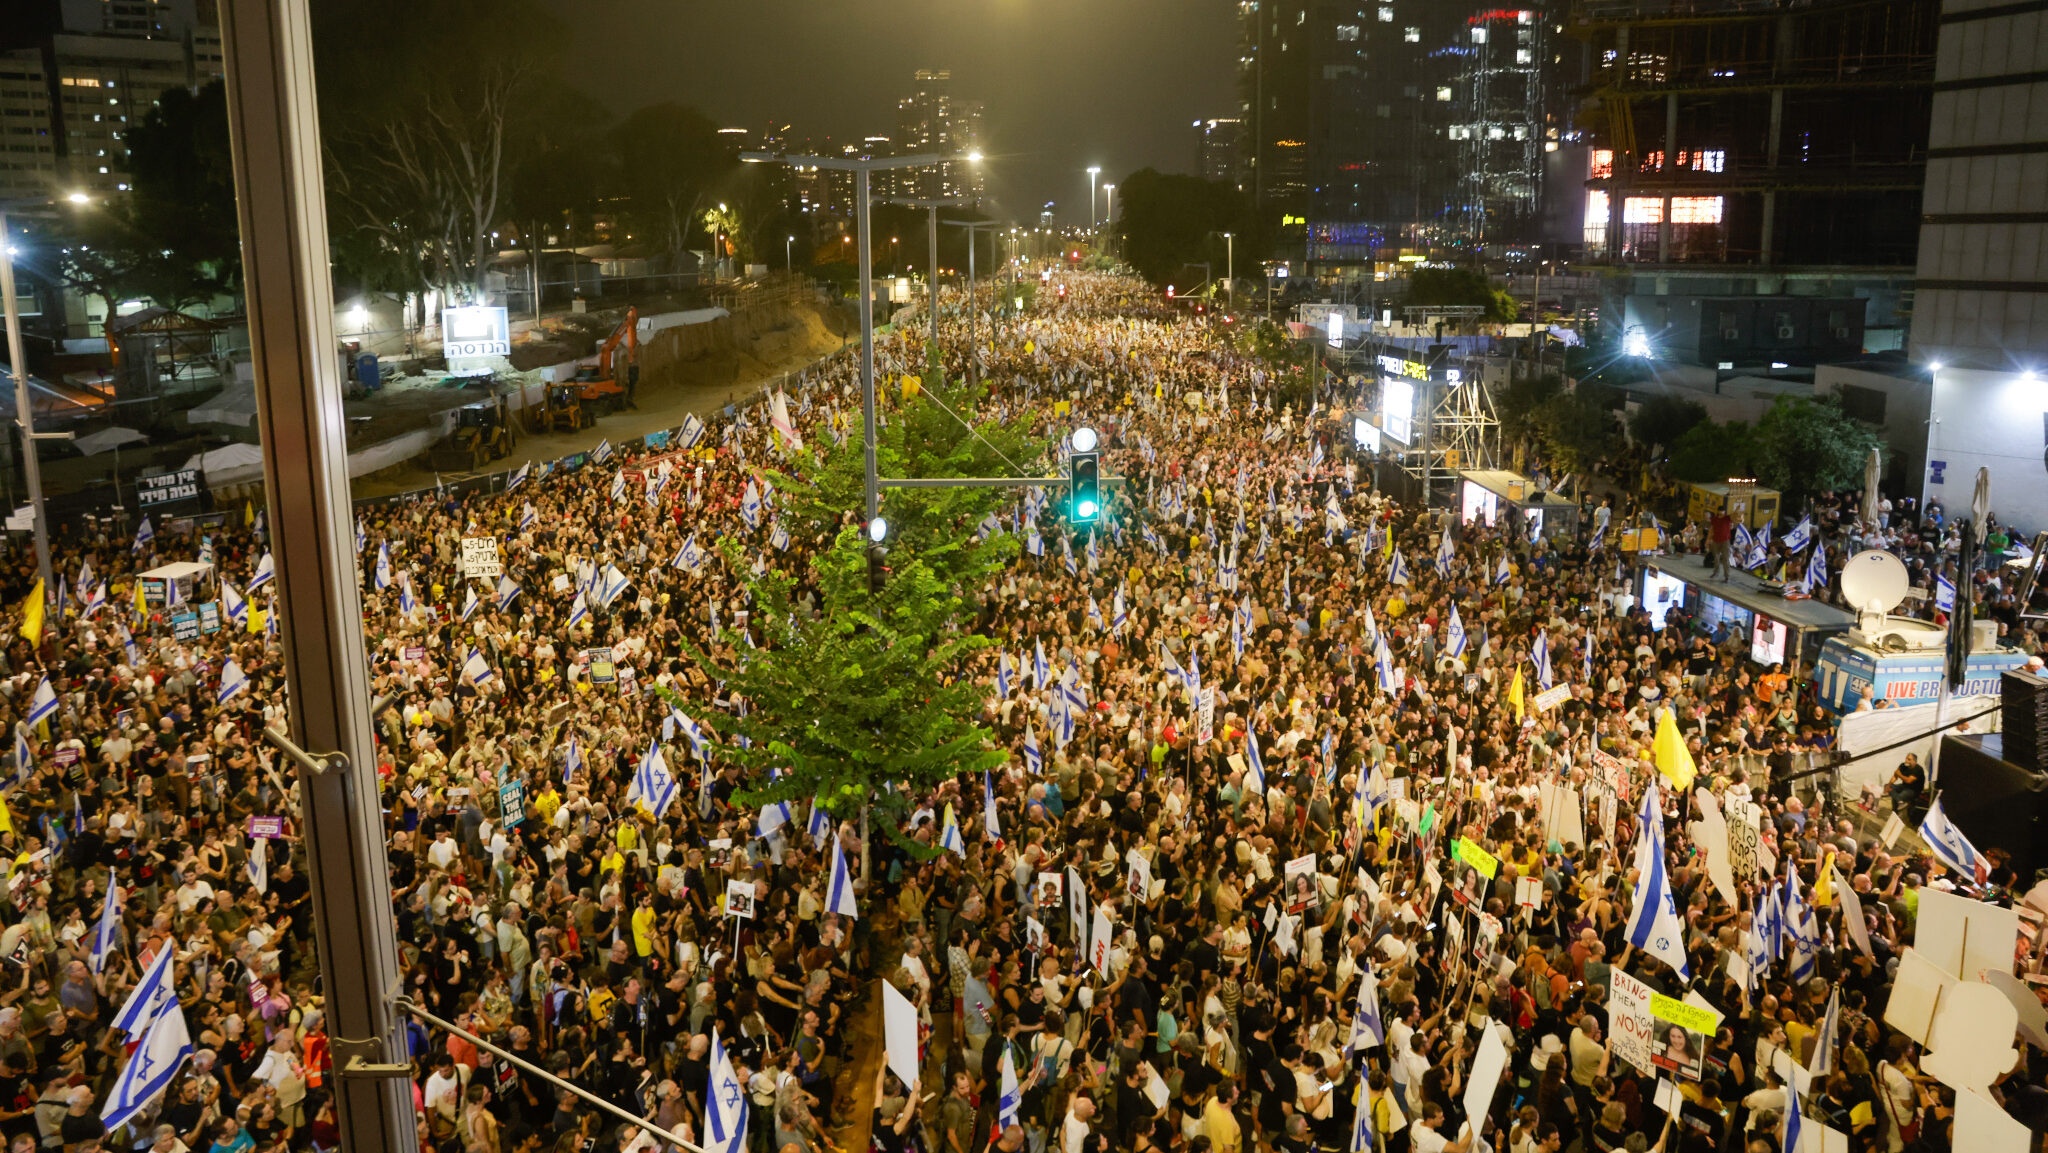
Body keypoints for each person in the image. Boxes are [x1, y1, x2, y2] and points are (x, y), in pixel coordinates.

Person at [1888, 754, 1927, 822]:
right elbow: (1895, 776)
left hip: (1914, 790)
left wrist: (1899, 774)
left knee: (1899, 795)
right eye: (1906, 758)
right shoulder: (1903, 765)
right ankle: (1895, 811)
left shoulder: (1918, 769)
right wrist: (1889, 785)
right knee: (1890, 788)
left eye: (1909, 759)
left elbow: (1908, 780)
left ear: (1914, 761)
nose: (1906, 760)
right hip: (1904, 786)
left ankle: (1897, 815)